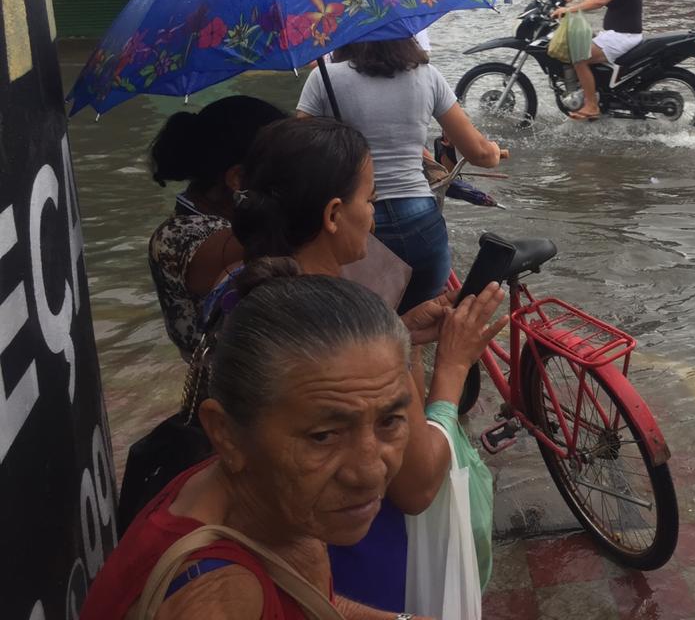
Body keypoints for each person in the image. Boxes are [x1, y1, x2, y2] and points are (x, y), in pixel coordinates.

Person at [80, 261, 505, 620]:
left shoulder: (258, 494)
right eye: (323, 436)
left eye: (391, 421)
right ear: (224, 433)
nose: (370, 472)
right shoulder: (215, 595)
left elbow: (307, 598)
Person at [228, 116, 497, 613]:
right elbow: (417, 485)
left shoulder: (237, 295)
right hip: (355, 563)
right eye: (368, 201)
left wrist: (405, 337)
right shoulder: (355, 324)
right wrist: (452, 368)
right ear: (334, 214)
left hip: (270, 551)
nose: (373, 216)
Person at [296, 39, 505, 309]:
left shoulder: (324, 78)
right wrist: (495, 151)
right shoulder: (427, 75)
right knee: (418, 322)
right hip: (421, 220)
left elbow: (299, 152)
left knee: (366, 327)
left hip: (358, 224)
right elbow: (480, 154)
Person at [147, 96, 287, 362]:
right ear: (238, 178)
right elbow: (287, 241)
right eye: (283, 167)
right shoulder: (181, 236)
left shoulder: (227, 219)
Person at [552, 0, 642, 122]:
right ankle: (595, 93)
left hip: (621, 36)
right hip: (617, 34)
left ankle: (592, 105)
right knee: (585, 48)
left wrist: (569, 11)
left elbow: (600, 0)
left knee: (580, 58)